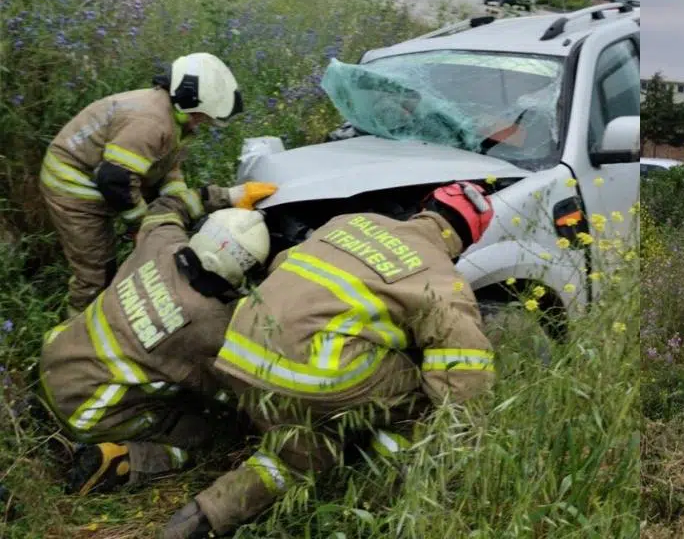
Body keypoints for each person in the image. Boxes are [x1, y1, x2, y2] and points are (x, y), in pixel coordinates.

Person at [161, 182, 497, 538]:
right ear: (468, 241)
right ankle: (381, 491)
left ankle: (202, 517)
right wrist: (468, 450)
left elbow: (282, 264)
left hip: (241, 348)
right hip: (310, 372)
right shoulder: (443, 280)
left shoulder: (353, 221)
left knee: (301, 453)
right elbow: (463, 379)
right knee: (426, 391)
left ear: (424, 205)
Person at [37, 181, 277, 496]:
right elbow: (232, 394)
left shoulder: (161, 243)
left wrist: (226, 196)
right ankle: (122, 461)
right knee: (201, 432)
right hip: (86, 411)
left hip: (51, 361)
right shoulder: (214, 328)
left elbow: (166, 207)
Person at [41, 52, 246, 314]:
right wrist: (141, 225)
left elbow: (166, 167)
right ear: (188, 101)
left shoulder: (173, 118)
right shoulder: (152, 122)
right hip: (72, 184)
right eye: (202, 116)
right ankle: (74, 333)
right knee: (97, 271)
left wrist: (180, 206)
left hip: (101, 174)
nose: (203, 122)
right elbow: (115, 181)